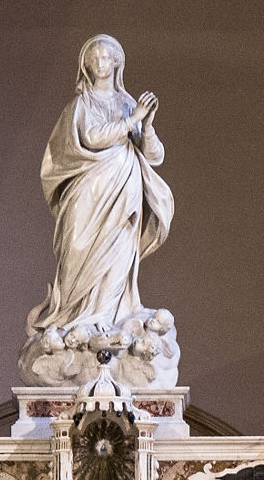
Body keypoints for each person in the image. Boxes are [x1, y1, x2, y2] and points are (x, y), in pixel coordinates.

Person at [27, 35, 174, 343]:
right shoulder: (82, 104)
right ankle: (73, 317)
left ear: (117, 62)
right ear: (86, 65)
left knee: (119, 252)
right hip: (88, 191)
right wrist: (132, 119)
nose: (100, 63)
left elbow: (154, 156)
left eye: (106, 57)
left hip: (123, 195)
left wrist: (146, 126)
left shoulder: (127, 104)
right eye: (94, 58)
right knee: (78, 250)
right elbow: (91, 138)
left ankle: (107, 322)